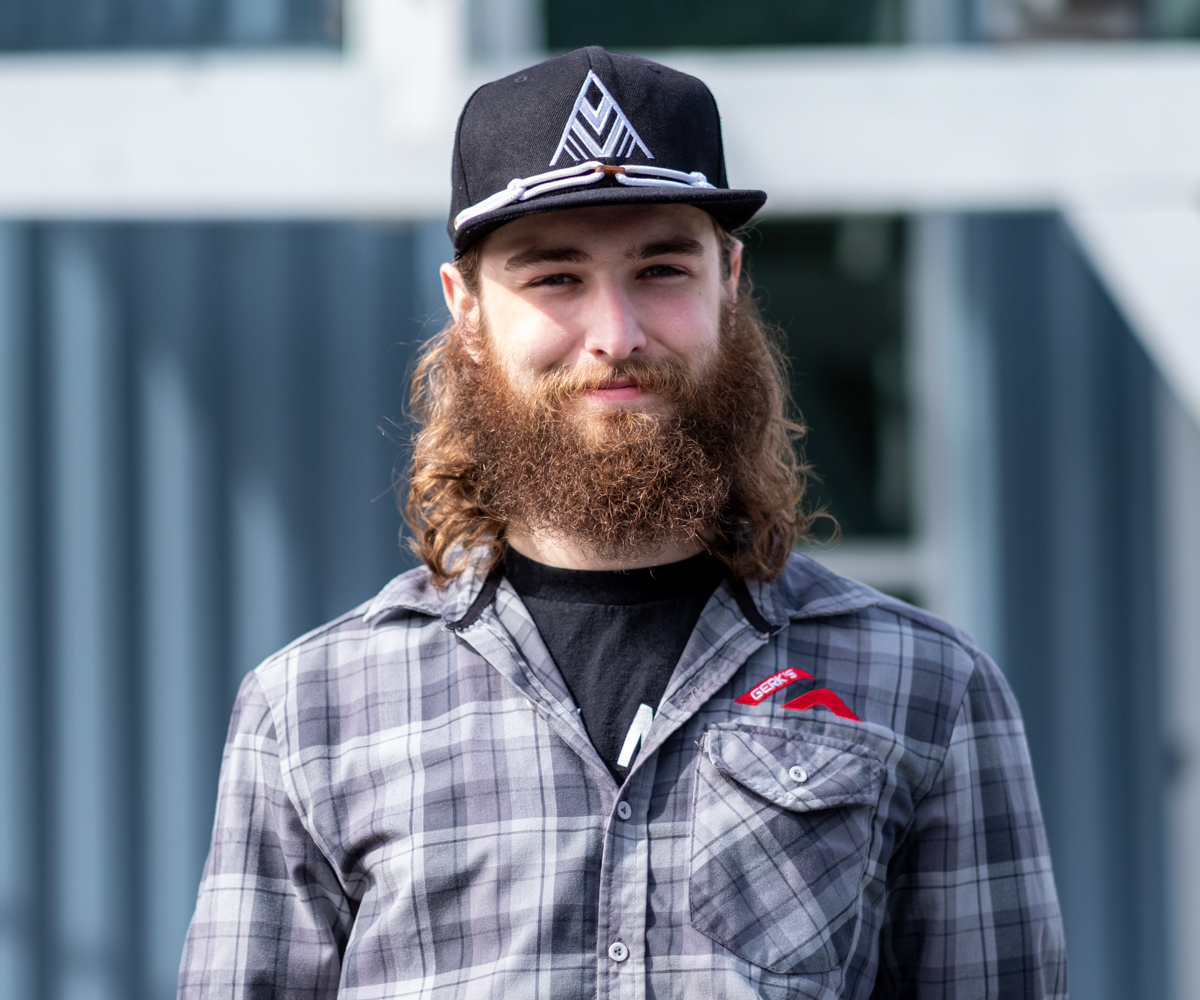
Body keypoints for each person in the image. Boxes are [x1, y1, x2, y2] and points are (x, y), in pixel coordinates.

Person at [178, 46, 1066, 999]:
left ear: (729, 280)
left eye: (660, 269)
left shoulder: (927, 688)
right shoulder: (312, 711)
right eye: (556, 278)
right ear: (466, 310)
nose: (617, 334)